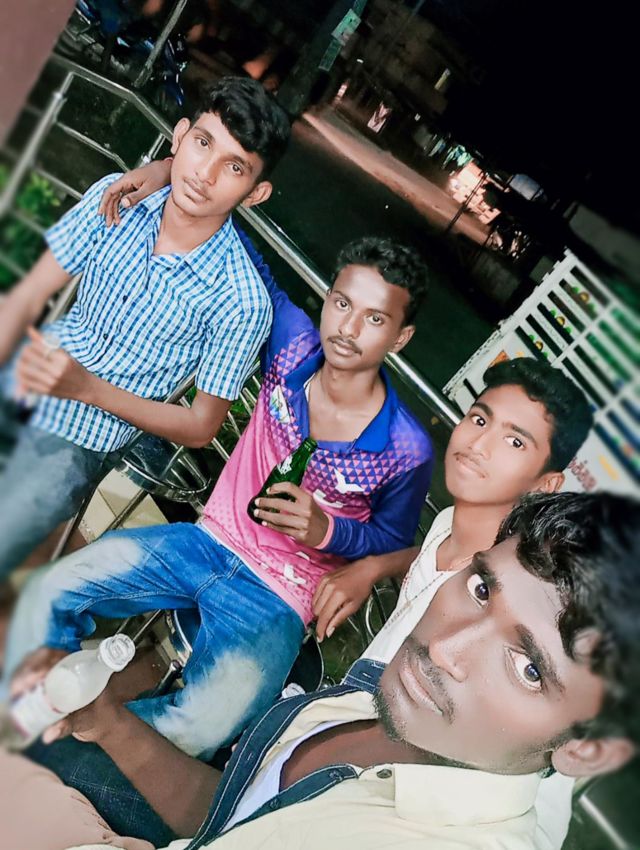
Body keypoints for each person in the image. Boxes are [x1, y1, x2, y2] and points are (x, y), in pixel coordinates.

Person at [2, 236, 433, 844]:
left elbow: (393, 538)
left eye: (375, 319)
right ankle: (39, 706)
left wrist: (329, 530)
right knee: (52, 588)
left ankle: (71, 751)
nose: (348, 328)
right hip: (207, 540)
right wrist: (160, 184)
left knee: (205, 724)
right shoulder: (294, 342)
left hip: (280, 597)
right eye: (341, 303)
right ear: (326, 298)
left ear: (401, 337)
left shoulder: (406, 448)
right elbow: (235, 243)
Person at [2, 491, 639, 850]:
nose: (446, 649)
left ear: (585, 749)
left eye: (529, 669)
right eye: (480, 590)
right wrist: (111, 723)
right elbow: (234, 819)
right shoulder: (371, 702)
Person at [0, 75, 290, 578]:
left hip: (82, 438)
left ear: (256, 192)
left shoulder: (241, 300)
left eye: (234, 167)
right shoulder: (118, 197)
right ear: (180, 136)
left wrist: (87, 389)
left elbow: (201, 426)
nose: (205, 174)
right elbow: (29, 294)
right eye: (203, 143)